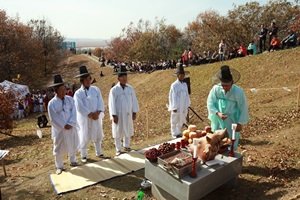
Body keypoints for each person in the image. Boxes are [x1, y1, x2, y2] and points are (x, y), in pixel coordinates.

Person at [207, 65, 250, 150]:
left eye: (227, 85)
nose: (225, 87)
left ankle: (231, 158)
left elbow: (243, 107)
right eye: (223, 85)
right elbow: (210, 102)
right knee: (216, 141)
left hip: (232, 120)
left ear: (232, 82)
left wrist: (240, 123)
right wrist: (217, 113)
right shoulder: (216, 89)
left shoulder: (238, 92)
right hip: (218, 120)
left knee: (230, 142)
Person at [73, 66, 109, 163]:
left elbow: (100, 101)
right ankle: (84, 154)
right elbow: (79, 106)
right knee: (84, 135)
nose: (88, 81)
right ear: (82, 81)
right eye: (86, 79)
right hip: (85, 118)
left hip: (96, 117)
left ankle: (99, 152)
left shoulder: (96, 89)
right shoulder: (78, 93)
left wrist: (98, 112)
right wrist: (89, 114)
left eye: (89, 78)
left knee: (97, 134)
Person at [48, 74, 80, 175]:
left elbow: (74, 112)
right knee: (58, 147)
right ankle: (59, 165)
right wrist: (63, 125)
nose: (63, 91)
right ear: (56, 90)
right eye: (61, 90)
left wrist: (71, 123)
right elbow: (53, 118)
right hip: (60, 129)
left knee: (72, 143)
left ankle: (73, 160)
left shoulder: (70, 99)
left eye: (64, 89)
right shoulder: (52, 103)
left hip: (71, 126)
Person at [108, 65, 139, 156]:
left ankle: (127, 145)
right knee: (118, 131)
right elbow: (111, 103)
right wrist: (113, 115)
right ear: (119, 78)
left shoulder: (130, 88)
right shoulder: (114, 90)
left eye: (126, 77)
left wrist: (134, 112)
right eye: (123, 77)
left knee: (128, 129)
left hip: (128, 113)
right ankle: (118, 148)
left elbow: (134, 100)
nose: (125, 79)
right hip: (118, 114)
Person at [168, 63, 190, 138]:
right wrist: (173, 107)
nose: (182, 77)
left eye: (183, 75)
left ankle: (178, 131)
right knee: (175, 119)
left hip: (183, 104)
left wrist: (187, 104)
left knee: (181, 118)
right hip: (177, 105)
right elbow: (172, 96)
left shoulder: (184, 84)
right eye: (181, 75)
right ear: (178, 76)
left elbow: (187, 94)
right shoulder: (174, 85)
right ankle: (174, 132)